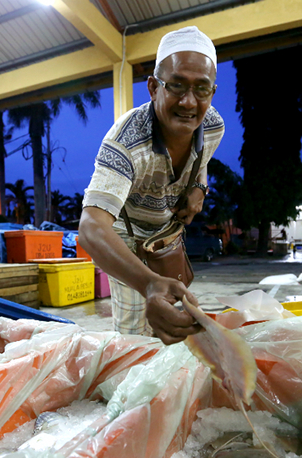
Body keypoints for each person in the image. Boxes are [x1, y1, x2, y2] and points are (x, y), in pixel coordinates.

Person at [78, 26, 224, 345]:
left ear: (211, 93)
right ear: (153, 87)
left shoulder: (213, 125)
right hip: (124, 236)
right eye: (176, 86)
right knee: (135, 335)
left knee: (172, 321)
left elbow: (202, 160)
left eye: (201, 89)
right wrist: (147, 284)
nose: (188, 102)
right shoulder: (126, 142)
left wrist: (200, 188)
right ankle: (134, 391)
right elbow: (91, 226)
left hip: (164, 236)